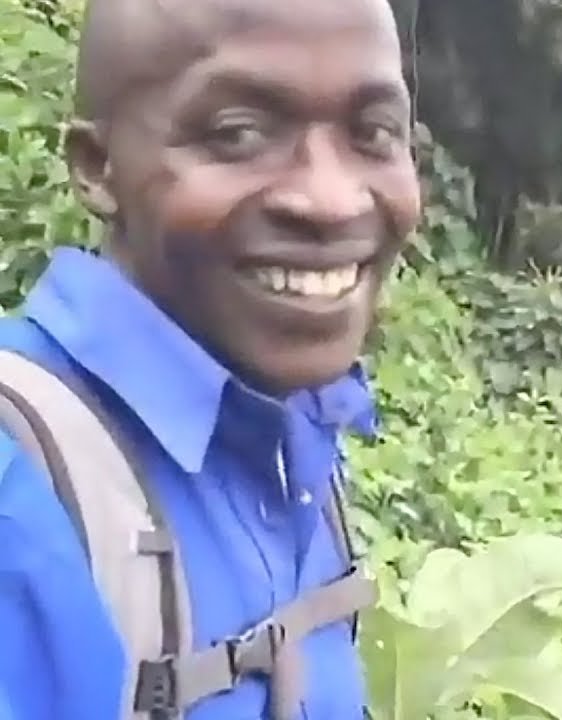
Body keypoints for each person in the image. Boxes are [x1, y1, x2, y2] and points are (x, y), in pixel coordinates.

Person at [0, 0, 422, 717]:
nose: (330, 200)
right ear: (98, 168)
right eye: (239, 134)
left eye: (373, 133)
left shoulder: (299, 435)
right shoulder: (25, 484)